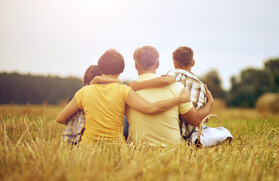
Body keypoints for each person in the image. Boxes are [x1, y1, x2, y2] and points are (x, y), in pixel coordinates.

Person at [56, 49, 191, 144]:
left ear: (101, 68)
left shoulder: (84, 92)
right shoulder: (123, 91)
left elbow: (61, 118)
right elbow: (150, 108)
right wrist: (179, 99)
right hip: (116, 148)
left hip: (87, 147)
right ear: (121, 70)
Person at [128, 46, 233, 147]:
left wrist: (138, 85)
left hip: (137, 143)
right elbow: (196, 120)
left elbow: (165, 80)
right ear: (158, 64)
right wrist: (210, 103)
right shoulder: (182, 87)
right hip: (176, 139)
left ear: (135, 65)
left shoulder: (128, 89)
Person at [61, 65, 102, 145]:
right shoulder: (106, 96)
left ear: (85, 82)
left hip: (78, 141)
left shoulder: (83, 93)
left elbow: (60, 118)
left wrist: (76, 123)